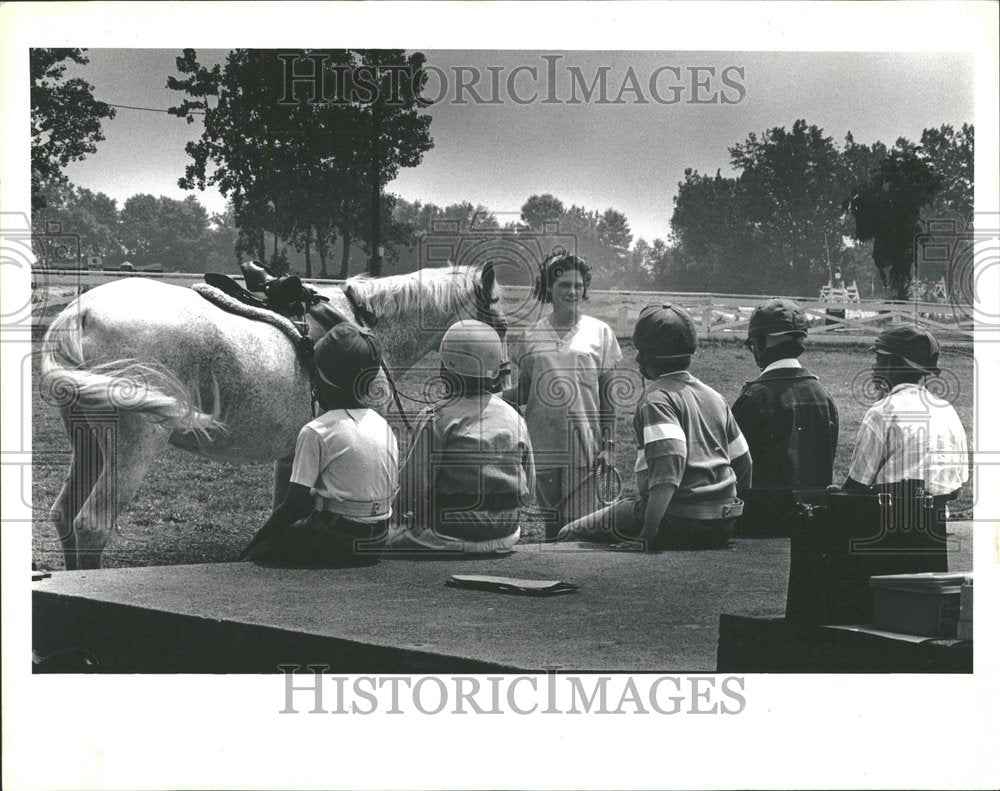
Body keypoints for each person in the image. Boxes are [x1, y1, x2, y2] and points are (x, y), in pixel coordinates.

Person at [559, 304, 752, 550]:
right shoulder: (715, 397)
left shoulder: (656, 398)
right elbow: (744, 463)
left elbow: (669, 463)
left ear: (643, 356)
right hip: (723, 522)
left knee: (568, 533)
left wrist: (648, 533)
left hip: (678, 520)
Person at [239, 323, 398, 566]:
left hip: (338, 540)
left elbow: (294, 506)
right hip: (376, 541)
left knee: (263, 552)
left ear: (323, 379)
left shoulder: (317, 431)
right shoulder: (382, 425)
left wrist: (255, 541)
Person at [387, 320, 535, 554]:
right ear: (494, 371)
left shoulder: (437, 417)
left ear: (445, 370)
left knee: (376, 537)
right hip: (507, 532)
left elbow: (412, 489)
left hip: (450, 534)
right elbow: (530, 485)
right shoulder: (514, 416)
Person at [505, 250, 622, 539]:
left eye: (578, 285)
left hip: (585, 446)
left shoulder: (600, 332)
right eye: (564, 285)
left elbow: (609, 396)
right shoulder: (532, 335)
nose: (572, 291)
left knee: (580, 529)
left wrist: (609, 445)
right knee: (551, 526)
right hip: (542, 445)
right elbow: (524, 391)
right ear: (549, 288)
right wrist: (486, 398)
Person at [837, 325, 968, 530]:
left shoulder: (882, 412)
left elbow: (856, 488)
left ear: (892, 363)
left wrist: (832, 495)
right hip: (937, 529)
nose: (874, 367)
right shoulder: (947, 410)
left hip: (888, 527)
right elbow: (956, 489)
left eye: (878, 359)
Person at [731, 298, 839, 534]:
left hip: (760, 524)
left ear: (762, 343)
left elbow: (734, 467)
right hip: (811, 524)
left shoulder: (753, 397)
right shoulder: (823, 395)